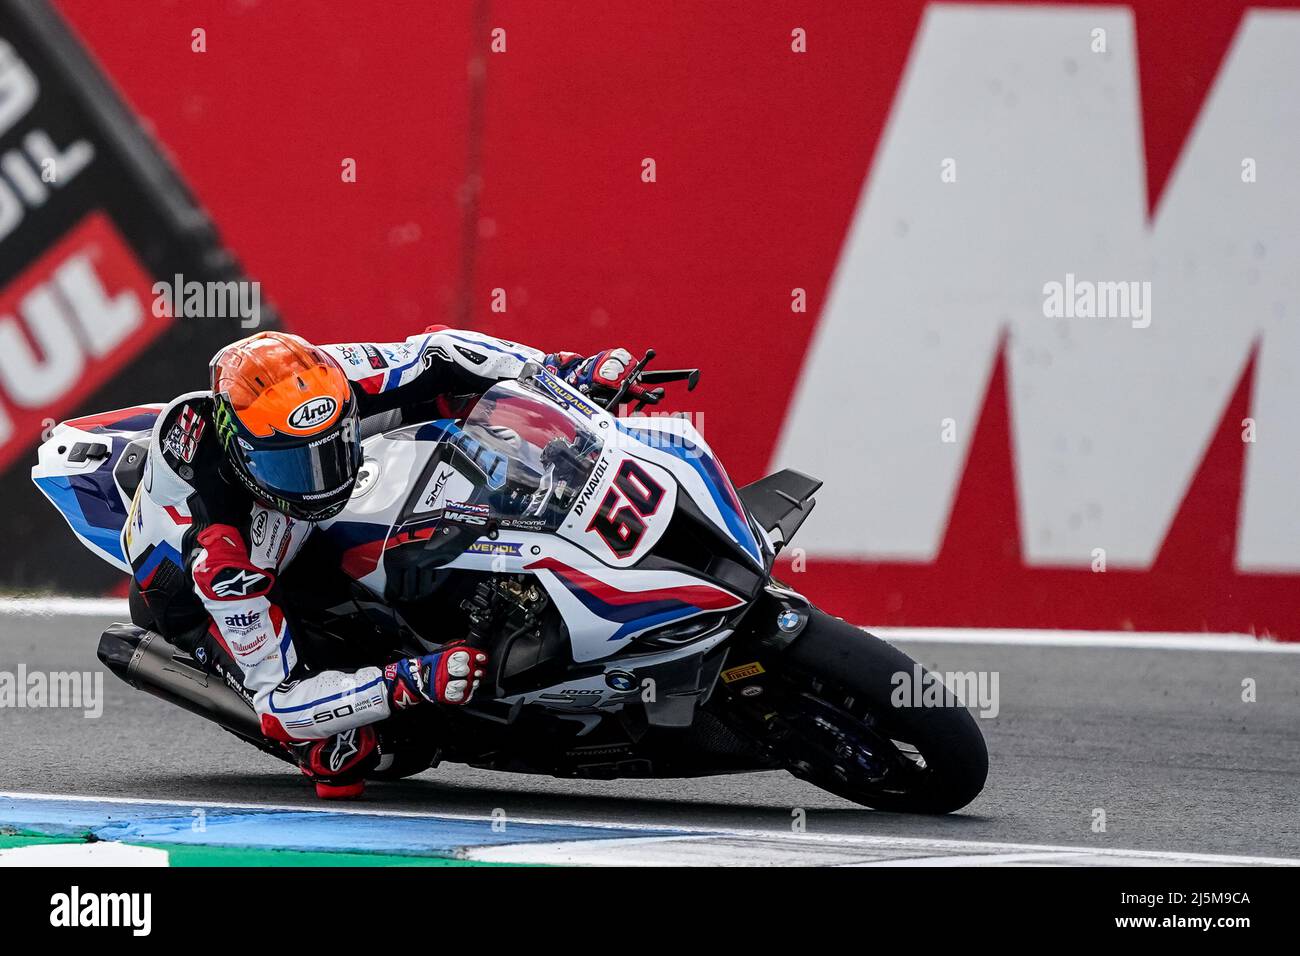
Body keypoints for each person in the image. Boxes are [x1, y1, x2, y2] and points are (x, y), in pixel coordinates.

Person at [123, 326, 642, 797]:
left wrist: (557, 369)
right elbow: (280, 703)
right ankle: (333, 741)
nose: (322, 478)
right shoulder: (222, 556)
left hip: (290, 516)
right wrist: (413, 680)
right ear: (245, 456)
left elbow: (441, 352)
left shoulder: (320, 378)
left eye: (330, 452)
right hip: (201, 590)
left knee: (451, 415)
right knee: (342, 755)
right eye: (294, 464)